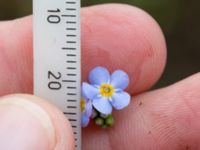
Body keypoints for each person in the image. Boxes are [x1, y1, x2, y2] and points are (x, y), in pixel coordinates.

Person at [0, 4, 199, 150]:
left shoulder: (98, 100)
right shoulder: (88, 99)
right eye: (105, 88)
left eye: (107, 89)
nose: (105, 89)